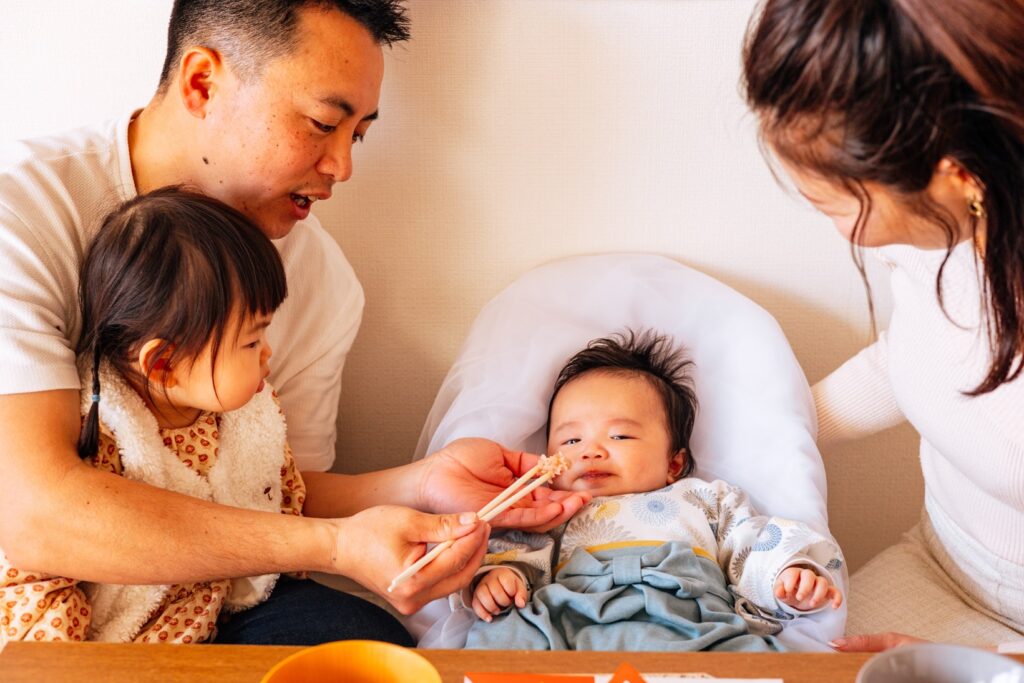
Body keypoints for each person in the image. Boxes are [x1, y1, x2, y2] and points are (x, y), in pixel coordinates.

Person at [0, 1, 585, 645]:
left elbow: (274, 491)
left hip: (217, 596)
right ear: (203, 82)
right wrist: (336, 547)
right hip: (49, 595)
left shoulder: (319, 283)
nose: (343, 167)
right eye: (323, 123)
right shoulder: (23, 213)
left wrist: (421, 484)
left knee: (360, 643)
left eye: (357, 135)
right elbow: (31, 514)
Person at [742, 0, 1024, 651]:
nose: (841, 231)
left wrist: (977, 664)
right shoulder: (938, 231)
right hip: (937, 566)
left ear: (955, 175)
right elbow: (919, 354)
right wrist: (754, 433)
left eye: (836, 202)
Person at [440, 331, 843, 651]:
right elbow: (516, 553)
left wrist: (786, 577)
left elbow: (751, 545)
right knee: (506, 637)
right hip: (571, 621)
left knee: (758, 658)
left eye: (620, 435)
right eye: (571, 441)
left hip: (692, 625)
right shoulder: (551, 509)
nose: (591, 451)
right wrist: (499, 578)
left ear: (673, 464)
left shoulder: (705, 498)